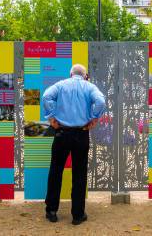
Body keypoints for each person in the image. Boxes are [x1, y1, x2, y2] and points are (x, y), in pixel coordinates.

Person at [42, 64, 106, 225]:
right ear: (85, 76)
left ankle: (51, 211)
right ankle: (77, 215)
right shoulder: (90, 87)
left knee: (56, 171)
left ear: (71, 74)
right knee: (79, 174)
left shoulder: (61, 85)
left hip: (61, 133)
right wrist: (94, 117)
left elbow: (46, 97)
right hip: (81, 133)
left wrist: (51, 117)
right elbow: (100, 101)